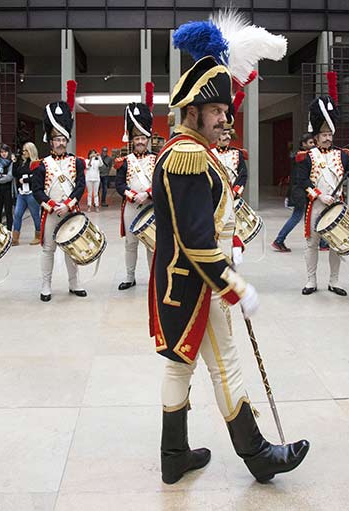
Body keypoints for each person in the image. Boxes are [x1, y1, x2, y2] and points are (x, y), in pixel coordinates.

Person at [151, 18, 309, 486]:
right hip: (200, 285)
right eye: (217, 109)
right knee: (226, 367)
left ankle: (173, 455)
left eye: (225, 109)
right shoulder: (188, 157)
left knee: (179, 367)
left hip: (182, 281)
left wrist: (229, 248)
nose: (225, 117)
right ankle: (259, 456)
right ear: (194, 110)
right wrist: (233, 284)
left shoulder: (191, 150)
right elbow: (196, 241)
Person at [296, 82, 349, 296]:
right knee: (311, 244)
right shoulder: (307, 156)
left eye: (330, 134)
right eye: (324, 134)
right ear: (316, 137)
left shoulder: (343, 154)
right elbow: (302, 181)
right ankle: (311, 281)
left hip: (337, 205)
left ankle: (334, 281)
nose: (328, 137)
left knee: (336, 245)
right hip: (317, 205)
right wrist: (319, 195)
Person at [31, 80, 87, 302]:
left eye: (63, 139)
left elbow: (80, 185)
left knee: (71, 249)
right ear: (50, 142)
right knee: (48, 249)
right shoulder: (42, 165)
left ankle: (74, 284)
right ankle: (46, 285)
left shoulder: (77, 162)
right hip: (51, 212)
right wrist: (52, 206)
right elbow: (37, 190)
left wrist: (69, 204)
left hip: (70, 210)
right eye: (57, 140)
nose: (60, 143)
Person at [115, 95, 156, 291]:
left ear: (148, 139)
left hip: (150, 206)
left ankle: (153, 279)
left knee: (151, 244)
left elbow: (160, 182)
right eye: (137, 138)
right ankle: (129, 277)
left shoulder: (157, 159)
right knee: (131, 244)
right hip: (131, 206)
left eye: (143, 138)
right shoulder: (125, 160)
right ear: (132, 140)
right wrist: (132, 195)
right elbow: (119, 184)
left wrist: (147, 194)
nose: (140, 141)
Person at [271, 133, 314, 252]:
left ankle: (319, 241)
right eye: (310, 143)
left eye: (313, 143)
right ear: (303, 144)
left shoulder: (302, 156)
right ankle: (279, 240)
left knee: (308, 216)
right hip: (300, 191)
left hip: (299, 191)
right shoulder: (302, 157)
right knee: (297, 216)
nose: (313, 145)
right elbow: (300, 178)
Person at [12, 142, 41, 246]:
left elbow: (37, 177)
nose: (23, 153)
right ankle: (15, 238)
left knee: (35, 215)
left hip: (32, 193)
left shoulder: (36, 163)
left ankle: (38, 235)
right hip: (21, 193)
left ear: (30, 151)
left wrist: (26, 180)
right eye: (23, 150)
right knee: (17, 214)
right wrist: (15, 162)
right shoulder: (23, 163)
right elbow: (15, 174)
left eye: (25, 150)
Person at [211, 120, 248, 198]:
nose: (228, 137)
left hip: (233, 195)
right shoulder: (210, 154)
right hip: (216, 197)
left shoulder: (237, 153)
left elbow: (243, 175)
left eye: (229, 134)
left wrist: (235, 192)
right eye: (224, 134)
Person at [0, 144, 14, 231]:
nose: (3, 154)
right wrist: (1, 175)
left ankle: (9, 231)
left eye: (5, 152)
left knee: (8, 212)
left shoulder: (11, 162)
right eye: (1, 152)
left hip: (8, 190)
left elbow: (9, 176)